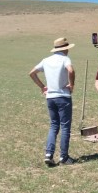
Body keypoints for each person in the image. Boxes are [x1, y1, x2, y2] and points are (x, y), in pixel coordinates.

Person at [29, 37, 77, 165]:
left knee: (54, 125)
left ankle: (49, 154)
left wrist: (42, 87)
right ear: (65, 49)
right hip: (63, 97)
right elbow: (71, 70)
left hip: (50, 97)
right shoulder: (65, 59)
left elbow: (32, 73)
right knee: (65, 127)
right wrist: (71, 84)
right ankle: (64, 157)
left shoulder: (46, 60)